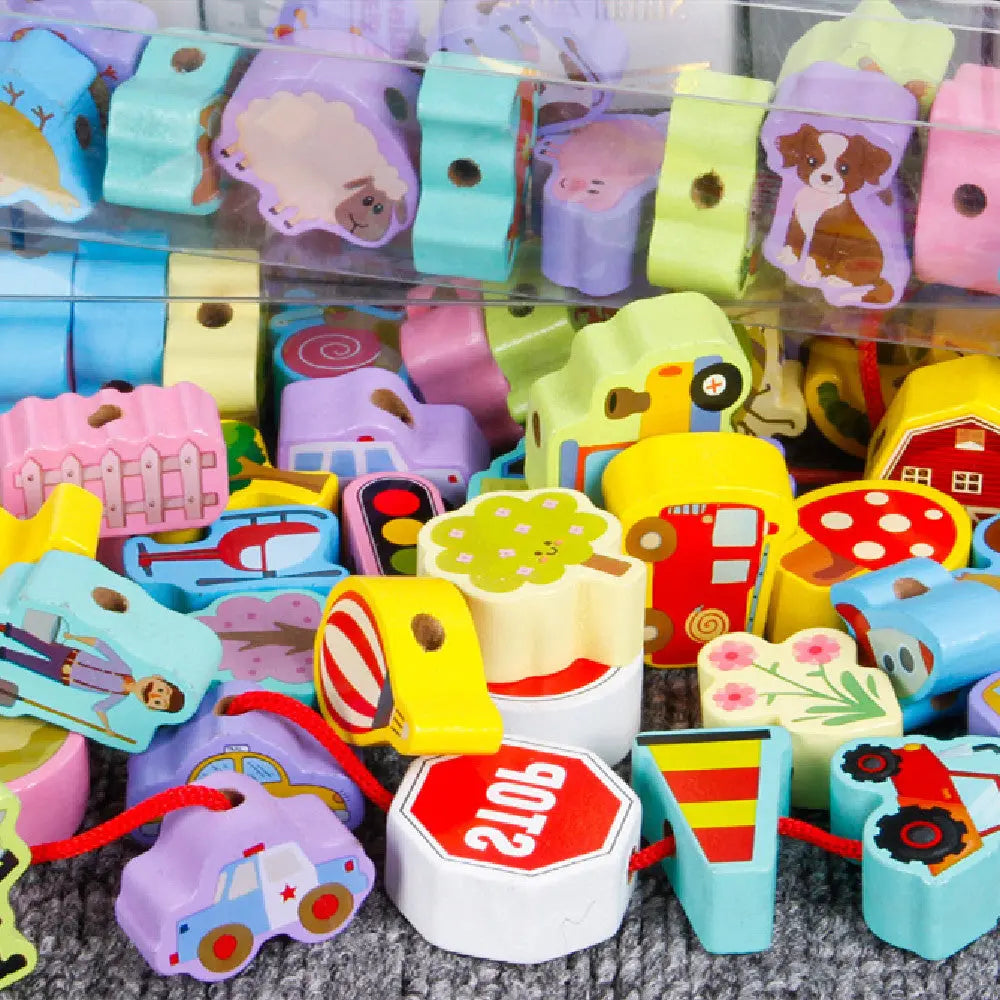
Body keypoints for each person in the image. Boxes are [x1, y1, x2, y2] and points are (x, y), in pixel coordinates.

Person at [0, 622, 184, 734]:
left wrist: (107, 729)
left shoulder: (118, 696)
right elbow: (100, 645)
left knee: (26, 662)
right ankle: (6, 629)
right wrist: (74, 637)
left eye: (157, 702)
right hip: (69, 655)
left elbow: (99, 708)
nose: (153, 694)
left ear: (149, 707)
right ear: (157, 677)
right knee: (36, 643)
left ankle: (4, 653)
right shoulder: (125, 669)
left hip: (62, 676)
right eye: (161, 690)